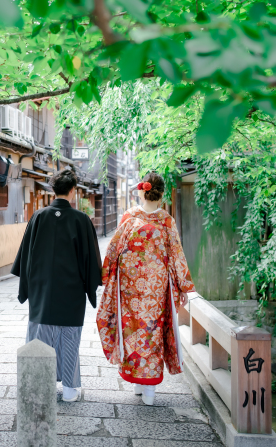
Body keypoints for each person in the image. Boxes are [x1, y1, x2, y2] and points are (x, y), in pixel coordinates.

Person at [96, 172, 195, 405]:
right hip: (156, 290)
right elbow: (177, 256)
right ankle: (149, 390)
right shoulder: (166, 220)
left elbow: (113, 250)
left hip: (130, 289)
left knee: (132, 332)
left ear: (142, 192)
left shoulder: (129, 216)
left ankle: (138, 384)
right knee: (152, 332)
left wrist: (105, 275)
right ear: (161, 195)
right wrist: (183, 286)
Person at [11, 168, 103, 402]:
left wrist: (29, 286)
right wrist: (91, 285)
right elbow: (91, 259)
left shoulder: (38, 217)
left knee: (40, 337)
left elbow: (26, 258)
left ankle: (39, 386)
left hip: (42, 292)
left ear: (53, 190)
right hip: (72, 293)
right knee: (70, 338)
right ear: (73, 191)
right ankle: (71, 390)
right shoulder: (81, 220)